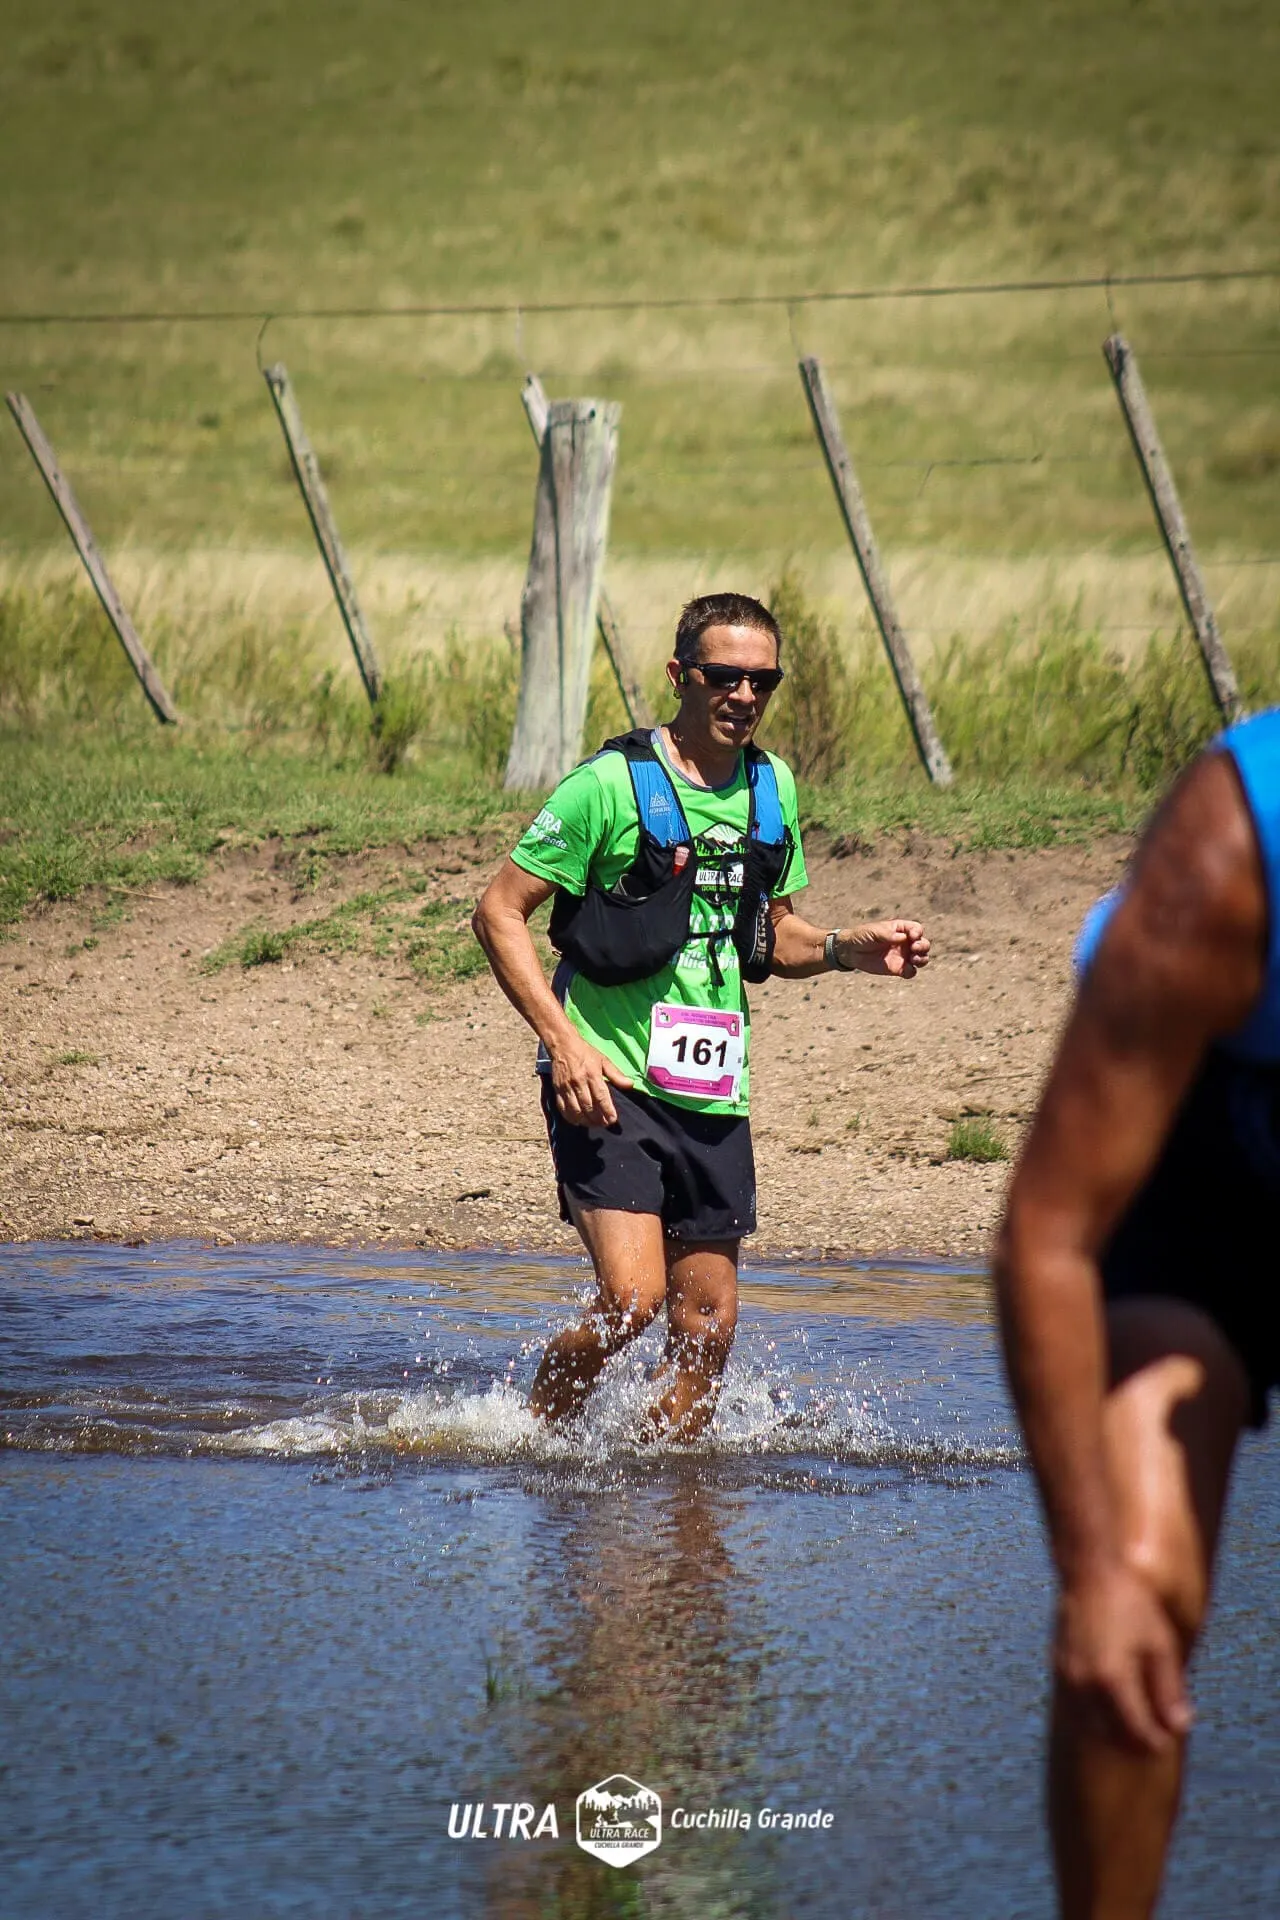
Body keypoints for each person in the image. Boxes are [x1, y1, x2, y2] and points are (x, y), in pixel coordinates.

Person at [473, 591, 930, 1440]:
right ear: (682, 676)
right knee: (634, 1301)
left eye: (763, 681)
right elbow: (499, 911)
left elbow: (774, 937)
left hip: (714, 1091)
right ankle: (527, 1438)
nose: (745, 696)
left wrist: (840, 949)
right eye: (725, 677)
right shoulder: (609, 785)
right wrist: (561, 1042)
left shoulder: (772, 786)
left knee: (707, 1325)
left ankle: (672, 1492)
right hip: (605, 1077)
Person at [995, 706, 1280, 1919]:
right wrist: (1089, 1574)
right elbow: (1045, 1236)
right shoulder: (1231, 841)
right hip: (1210, 1154)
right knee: (1145, 1582)